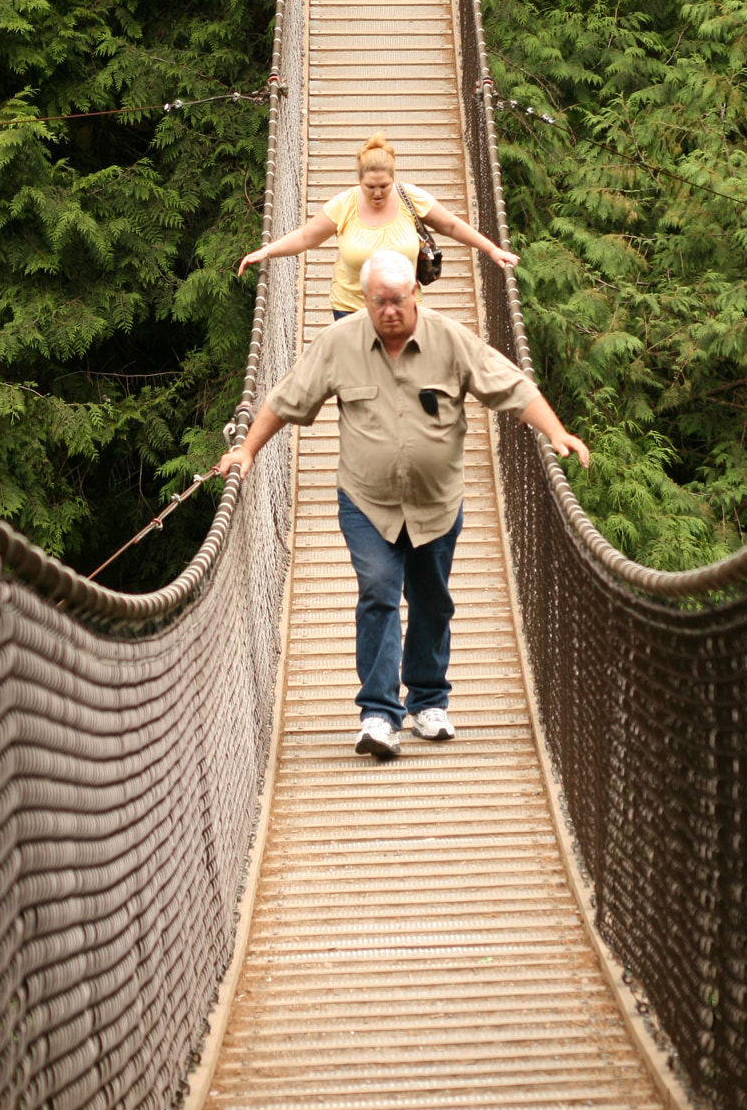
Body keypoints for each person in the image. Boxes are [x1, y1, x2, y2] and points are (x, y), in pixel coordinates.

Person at [219, 247, 590, 758]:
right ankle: (378, 714)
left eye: (397, 300)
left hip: (437, 502)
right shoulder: (338, 343)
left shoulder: (450, 340)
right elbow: (286, 399)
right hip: (366, 501)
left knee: (432, 599)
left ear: (415, 292)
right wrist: (247, 450)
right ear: (364, 301)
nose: (389, 311)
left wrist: (557, 432)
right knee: (378, 592)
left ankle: (428, 700)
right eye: (378, 302)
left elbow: (510, 386)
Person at [237, 132, 517, 317]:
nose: (378, 193)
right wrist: (266, 251)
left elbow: (452, 226)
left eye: (384, 185)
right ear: (359, 181)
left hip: (404, 309)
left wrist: (492, 250)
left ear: (394, 179)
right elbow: (307, 237)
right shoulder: (345, 204)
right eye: (370, 186)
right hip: (352, 311)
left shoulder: (410, 197)